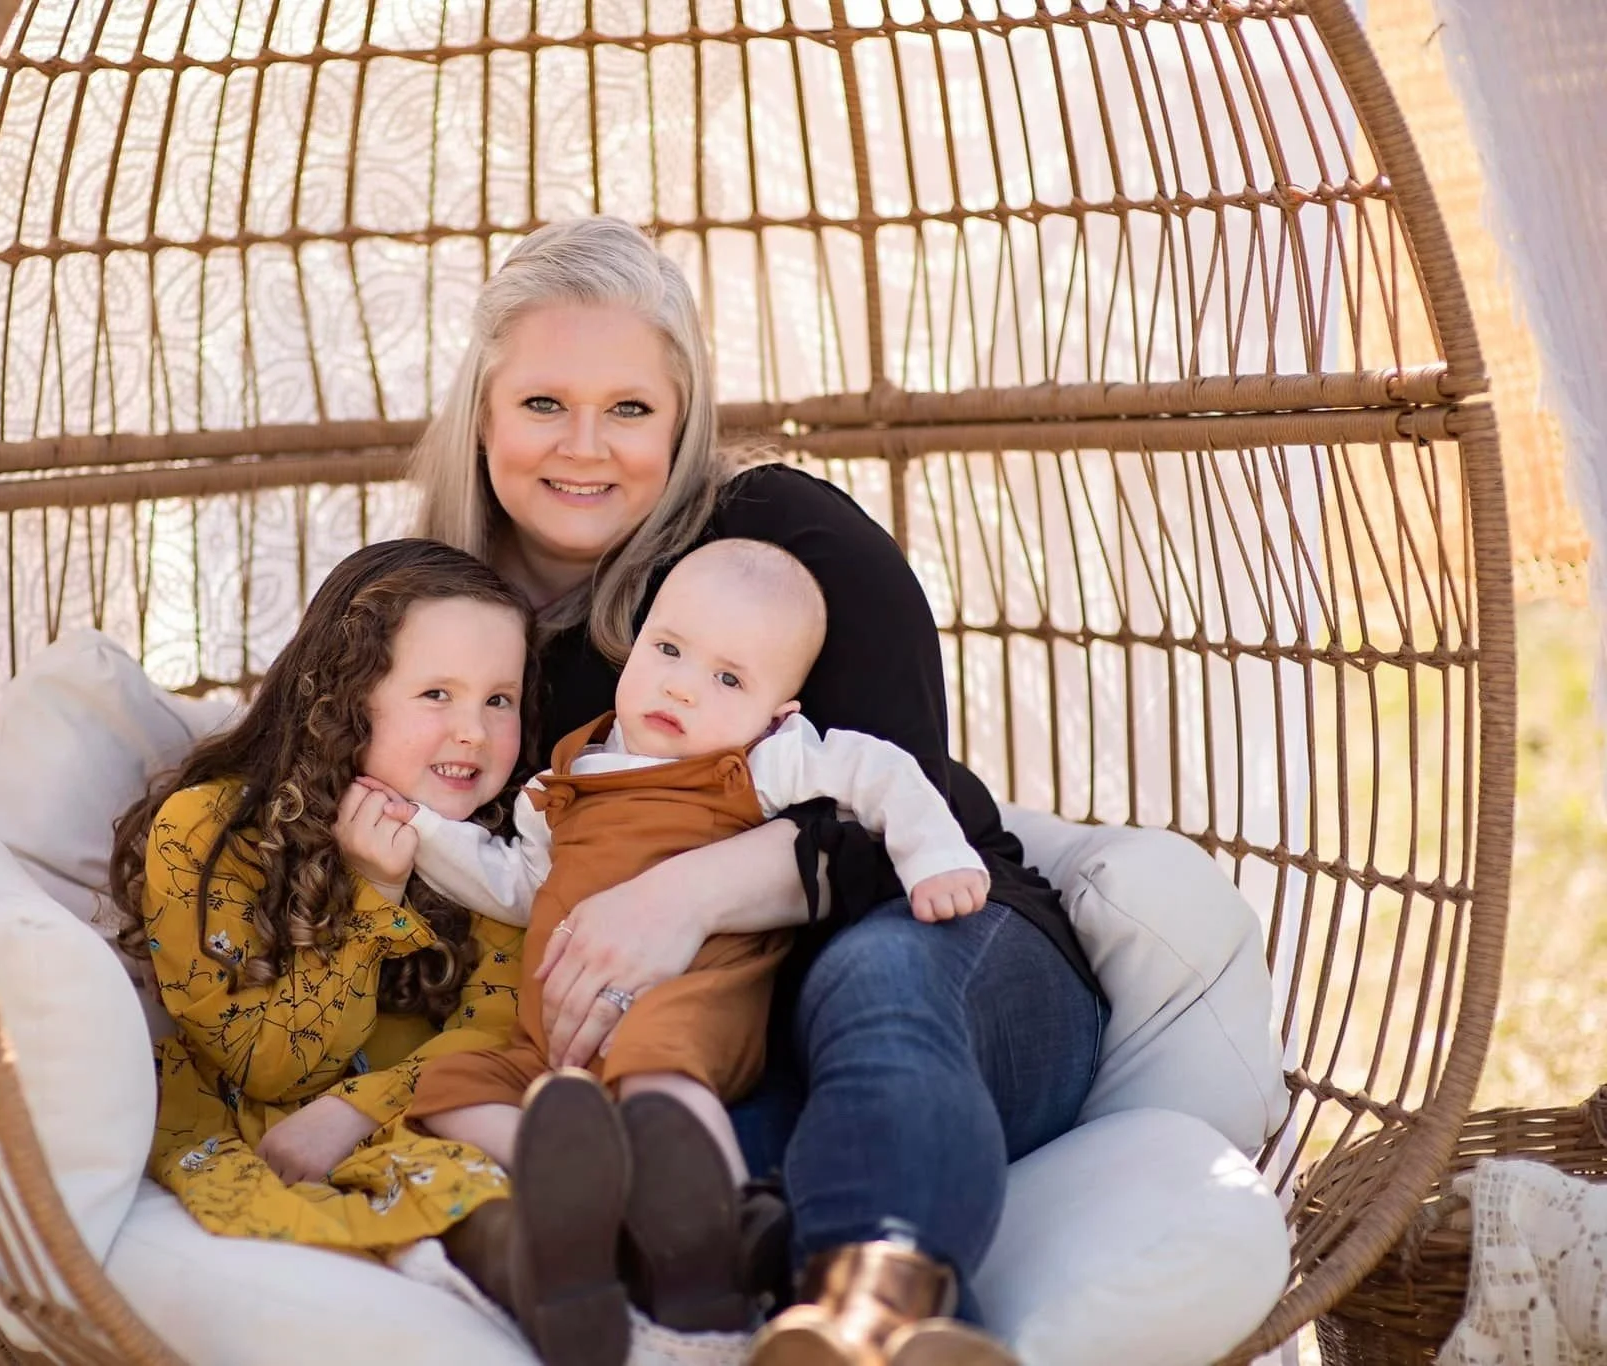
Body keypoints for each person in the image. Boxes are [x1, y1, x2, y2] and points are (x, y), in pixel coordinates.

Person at [406, 216, 1109, 1366]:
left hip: (958, 975)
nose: (584, 446)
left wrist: (683, 894)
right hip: (704, 1054)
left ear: (680, 420)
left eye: (628, 407)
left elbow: (901, 814)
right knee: (669, 1170)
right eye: (542, 403)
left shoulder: (778, 544)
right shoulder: (451, 641)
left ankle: (869, 1319)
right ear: (479, 412)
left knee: (871, 972)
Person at [104, 538, 534, 1252]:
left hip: (433, 1113)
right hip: (264, 1119)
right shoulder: (208, 835)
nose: (474, 732)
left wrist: (355, 1111)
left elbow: (500, 1026)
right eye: (436, 694)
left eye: (500, 699)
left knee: (481, 1181)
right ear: (344, 696)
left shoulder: (497, 852)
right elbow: (271, 1064)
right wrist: (374, 895)